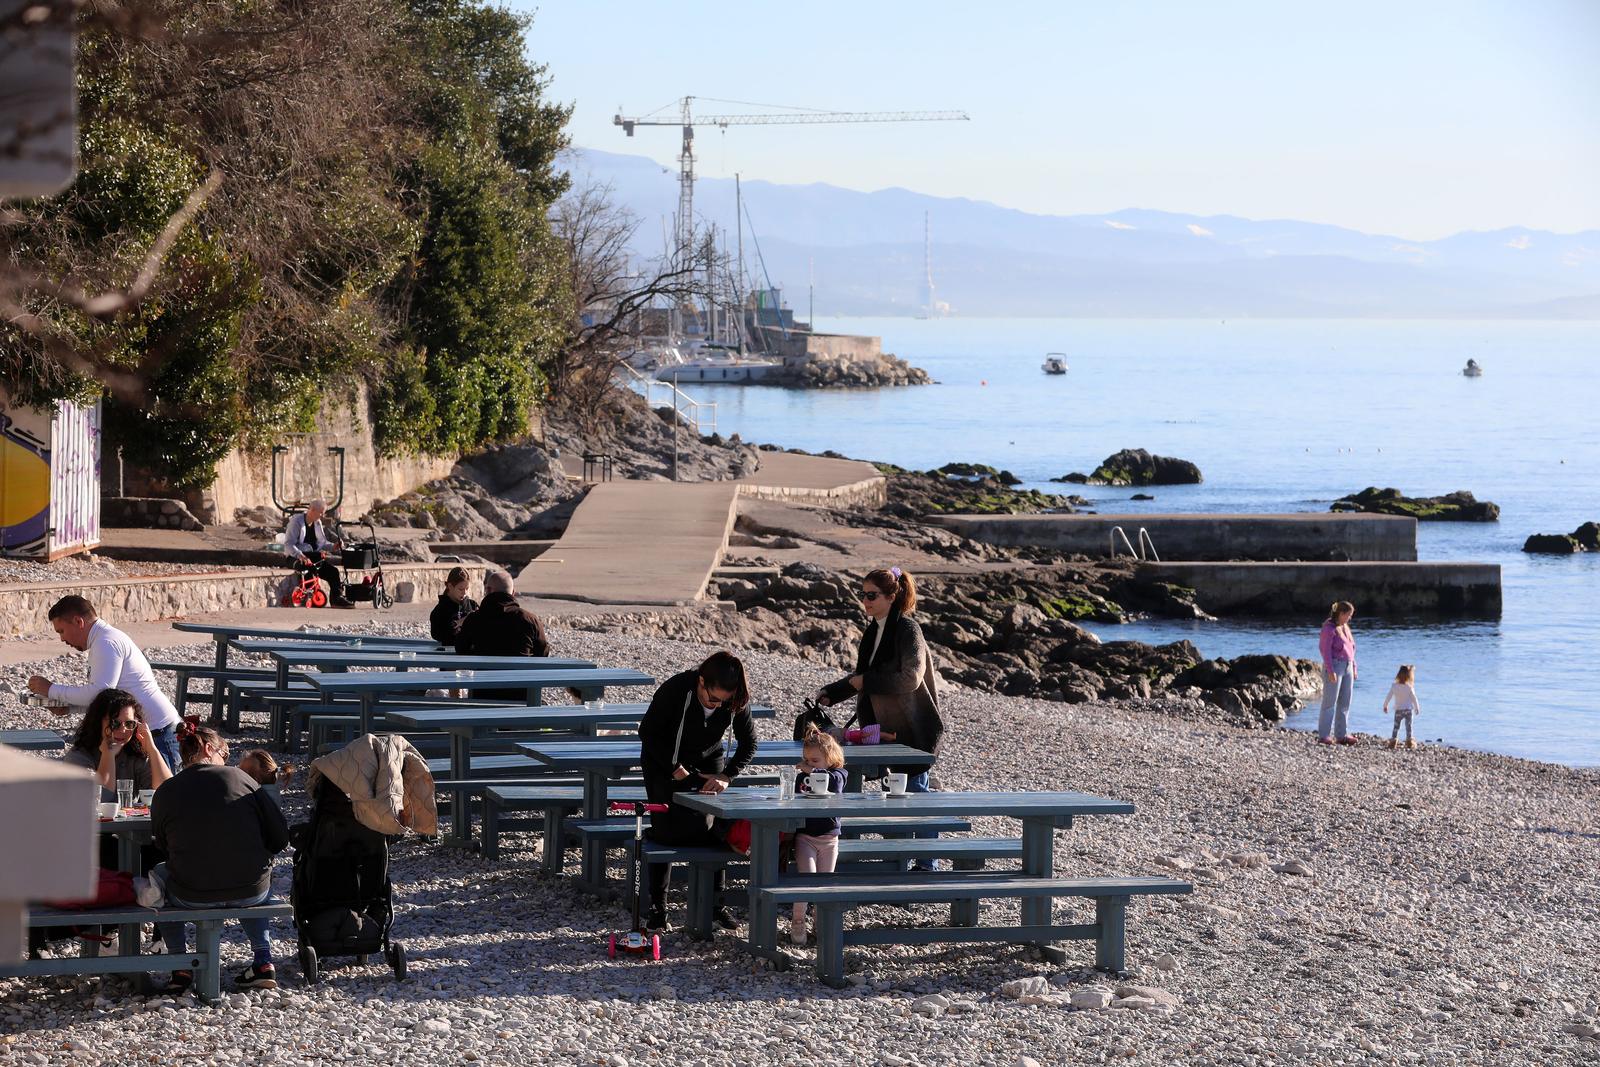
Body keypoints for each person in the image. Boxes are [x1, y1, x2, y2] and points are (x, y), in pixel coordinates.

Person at [818, 565, 944, 869]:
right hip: (883, 732)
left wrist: (866, 682)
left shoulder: (907, 629)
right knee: (894, 798)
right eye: (863, 594)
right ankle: (898, 863)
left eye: (872, 595)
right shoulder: (874, 629)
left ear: (892, 596)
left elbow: (910, 679)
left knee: (916, 796)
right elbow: (864, 677)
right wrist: (832, 694)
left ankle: (926, 866)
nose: (865, 600)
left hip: (913, 730)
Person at [152, 721, 289, 994]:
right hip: (250, 889)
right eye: (224, 754)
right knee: (253, 871)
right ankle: (263, 960)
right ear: (208, 748)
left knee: (159, 875)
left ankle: (180, 965)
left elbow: (163, 846)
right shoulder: (245, 781)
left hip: (193, 892)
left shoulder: (167, 789)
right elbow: (279, 839)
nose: (226, 761)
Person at [637, 651, 757, 932]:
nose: (717, 705)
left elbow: (749, 743)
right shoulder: (676, 689)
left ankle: (715, 904)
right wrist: (673, 766)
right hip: (663, 758)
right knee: (665, 829)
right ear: (701, 682)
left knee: (711, 825)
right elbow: (648, 733)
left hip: (709, 759)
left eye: (723, 702)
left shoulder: (735, 700)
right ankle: (658, 906)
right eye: (713, 699)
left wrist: (727, 775)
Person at [28, 595, 183, 772]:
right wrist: (69, 708)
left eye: (61, 631)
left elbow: (100, 693)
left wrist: (51, 689)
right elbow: (110, 699)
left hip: (159, 734)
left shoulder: (106, 642)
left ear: (78, 622)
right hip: (150, 731)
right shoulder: (104, 639)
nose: (62, 639)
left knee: (160, 796)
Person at [61, 688, 172, 803]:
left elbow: (168, 794)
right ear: (97, 723)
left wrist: (152, 749)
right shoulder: (78, 757)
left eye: (129, 724)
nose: (123, 730)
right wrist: (108, 754)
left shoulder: (135, 754)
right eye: (115, 723)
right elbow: (102, 799)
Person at [790, 727, 847, 946]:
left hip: (829, 838)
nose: (809, 764)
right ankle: (797, 920)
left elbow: (833, 784)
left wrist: (812, 772)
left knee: (825, 882)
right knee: (807, 880)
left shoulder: (839, 774)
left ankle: (820, 921)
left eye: (814, 760)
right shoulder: (804, 777)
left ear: (830, 758)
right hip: (806, 836)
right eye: (806, 760)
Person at [284, 498, 352, 609]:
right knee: (309, 566)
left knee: (333, 572)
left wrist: (334, 546)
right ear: (312, 510)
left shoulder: (317, 523)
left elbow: (322, 543)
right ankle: (310, 595)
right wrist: (300, 555)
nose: (322, 516)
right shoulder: (296, 522)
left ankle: (336, 599)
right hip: (295, 556)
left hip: (313, 556)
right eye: (321, 513)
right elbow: (288, 544)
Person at [1317, 600, 1359, 746]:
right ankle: (1324, 735)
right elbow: (1324, 650)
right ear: (1341, 614)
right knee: (1330, 702)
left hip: (1347, 666)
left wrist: (1354, 667)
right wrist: (1330, 670)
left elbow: (1352, 648)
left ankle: (1341, 735)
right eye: (1348, 615)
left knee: (1345, 701)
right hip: (1334, 666)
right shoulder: (1329, 628)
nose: (1350, 618)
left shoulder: (1345, 627)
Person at [429, 566, 479, 648]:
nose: (464, 592)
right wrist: (459, 623)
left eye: (467, 589)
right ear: (450, 586)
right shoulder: (440, 610)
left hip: (471, 652)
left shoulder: (473, 605)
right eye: (461, 589)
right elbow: (437, 635)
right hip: (449, 652)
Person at [1383, 665, 1422, 750]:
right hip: (1408, 710)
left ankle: (1393, 742)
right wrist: (1417, 707)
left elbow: (1388, 696)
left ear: (1398, 674)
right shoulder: (1409, 687)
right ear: (1409, 676)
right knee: (1409, 727)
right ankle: (1409, 743)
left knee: (1396, 727)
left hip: (1398, 711)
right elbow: (1414, 698)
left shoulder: (1394, 686)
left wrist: (1385, 705)